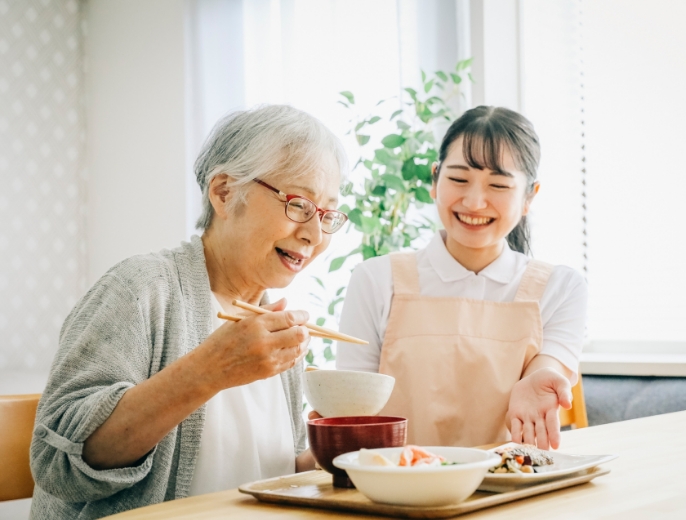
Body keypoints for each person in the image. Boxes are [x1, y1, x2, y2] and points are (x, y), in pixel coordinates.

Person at [29, 105, 348, 519]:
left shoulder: (272, 322)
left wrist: (330, 454)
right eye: (300, 205)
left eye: (327, 215)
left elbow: (266, 471)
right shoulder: (140, 288)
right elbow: (59, 465)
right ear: (224, 192)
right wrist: (209, 371)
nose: (314, 234)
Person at [336, 106, 586, 450]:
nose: (474, 201)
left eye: (498, 184)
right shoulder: (376, 280)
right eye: (458, 179)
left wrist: (540, 379)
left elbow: (549, 365)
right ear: (435, 180)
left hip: (511, 488)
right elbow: (353, 410)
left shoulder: (561, 287)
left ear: (530, 196)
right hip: (395, 488)